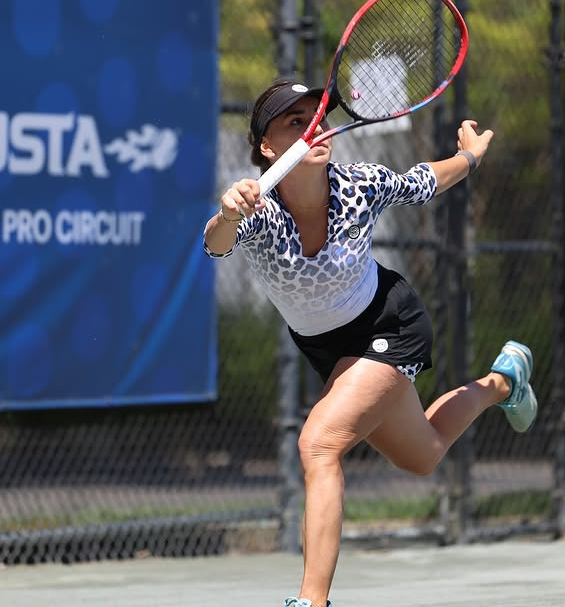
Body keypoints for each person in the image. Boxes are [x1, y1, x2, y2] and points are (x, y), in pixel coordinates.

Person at [203, 77, 538, 607]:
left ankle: (312, 603)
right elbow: (216, 244)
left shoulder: (361, 185)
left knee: (318, 444)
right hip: (329, 349)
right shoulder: (257, 211)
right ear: (266, 147)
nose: (315, 128)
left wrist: (470, 158)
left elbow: (424, 180)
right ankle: (503, 382)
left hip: (389, 326)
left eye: (320, 118)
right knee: (423, 454)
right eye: (296, 121)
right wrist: (227, 214)